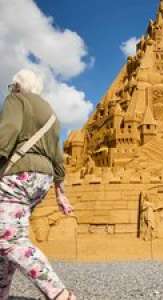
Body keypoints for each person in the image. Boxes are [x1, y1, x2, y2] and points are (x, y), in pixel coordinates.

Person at [0, 70, 76, 300]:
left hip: (18, 175)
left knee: (8, 239)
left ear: (16, 85)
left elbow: (8, 130)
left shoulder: (16, 98)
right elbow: (58, 156)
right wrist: (60, 191)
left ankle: (60, 294)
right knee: (10, 236)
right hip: (41, 180)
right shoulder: (51, 114)